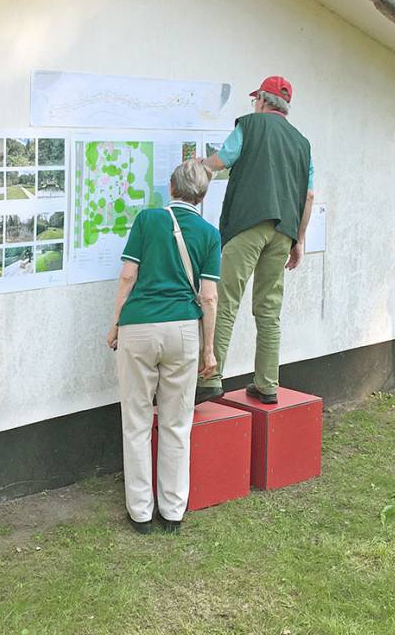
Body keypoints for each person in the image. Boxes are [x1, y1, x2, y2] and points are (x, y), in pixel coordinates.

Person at [106, 160, 221, 535]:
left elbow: (127, 276)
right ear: (201, 196)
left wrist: (115, 324)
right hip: (184, 331)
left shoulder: (147, 220)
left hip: (139, 327)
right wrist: (208, 350)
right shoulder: (209, 233)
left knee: (136, 421)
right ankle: (172, 510)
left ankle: (140, 512)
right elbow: (209, 297)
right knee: (176, 423)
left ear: (171, 187)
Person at [195, 75, 314, 405]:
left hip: (248, 224)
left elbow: (221, 161)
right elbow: (309, 195)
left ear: (262, 101)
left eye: (255, 101)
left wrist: (197, 166)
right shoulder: (302, 143)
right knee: (269, 309)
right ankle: (267, 384)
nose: (254, 105)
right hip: (283, 232)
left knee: (225, 300)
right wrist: (298, 241)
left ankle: (209, 379)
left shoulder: (250, 125)